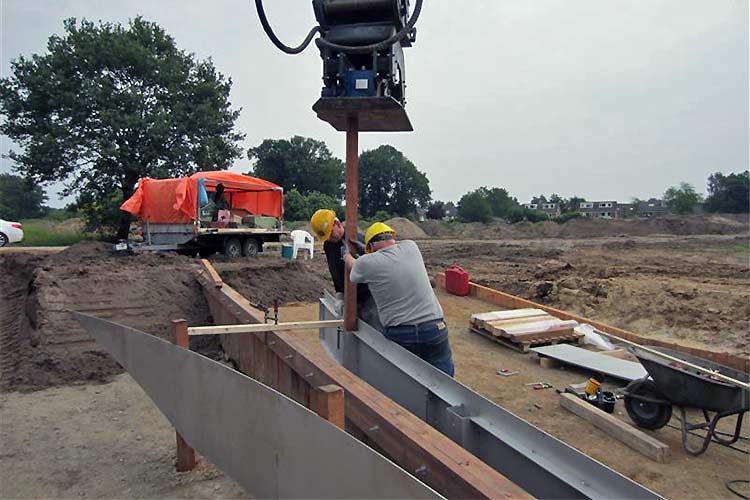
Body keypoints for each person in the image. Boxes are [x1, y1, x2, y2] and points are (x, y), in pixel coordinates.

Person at [344, 222, 455, 376]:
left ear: (371, 247)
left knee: (403, 381)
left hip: (401, 333)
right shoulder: (411, 247)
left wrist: (346, 255)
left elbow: (353, 267)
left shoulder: (366, 263)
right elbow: (389, 255)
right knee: (444, 383)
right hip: (434, 329)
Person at [310, 209, 382, 330]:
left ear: (337, 224)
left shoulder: (356, 241)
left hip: (369, 296)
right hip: (350, 298)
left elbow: (374, 270)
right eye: (326, 236)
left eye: (331, 233)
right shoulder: (328, 245)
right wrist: (340, 294)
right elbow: (334, 270)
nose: (329, 238)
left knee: (374, 330)